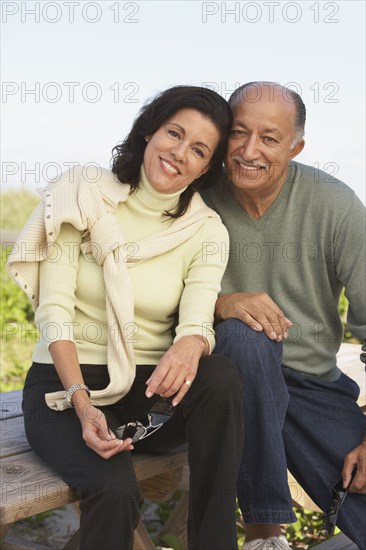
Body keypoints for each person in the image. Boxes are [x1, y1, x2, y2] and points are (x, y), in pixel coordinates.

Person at [8, 85, 244, 550]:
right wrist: (81, 402)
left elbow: (197, 323)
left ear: (207, 168)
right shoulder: (84, 193)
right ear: (149, 129)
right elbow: (53, 311)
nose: (179, 153)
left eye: (198, 150)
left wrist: (192, 343)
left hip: (147, 397)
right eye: (174, 134)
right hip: (65, 387)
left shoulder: (206, 231)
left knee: (220, 376)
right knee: (115, 491)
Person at [201, 81, 366, 550]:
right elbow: (146, 293)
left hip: (309, 383)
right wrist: (221, 304)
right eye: (238, 132)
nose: (250, 150)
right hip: (218, 380)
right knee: (245, 336)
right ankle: (265, 534)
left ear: (296, 147)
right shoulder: (196, 195)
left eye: (270, 138)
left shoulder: (335, 205)